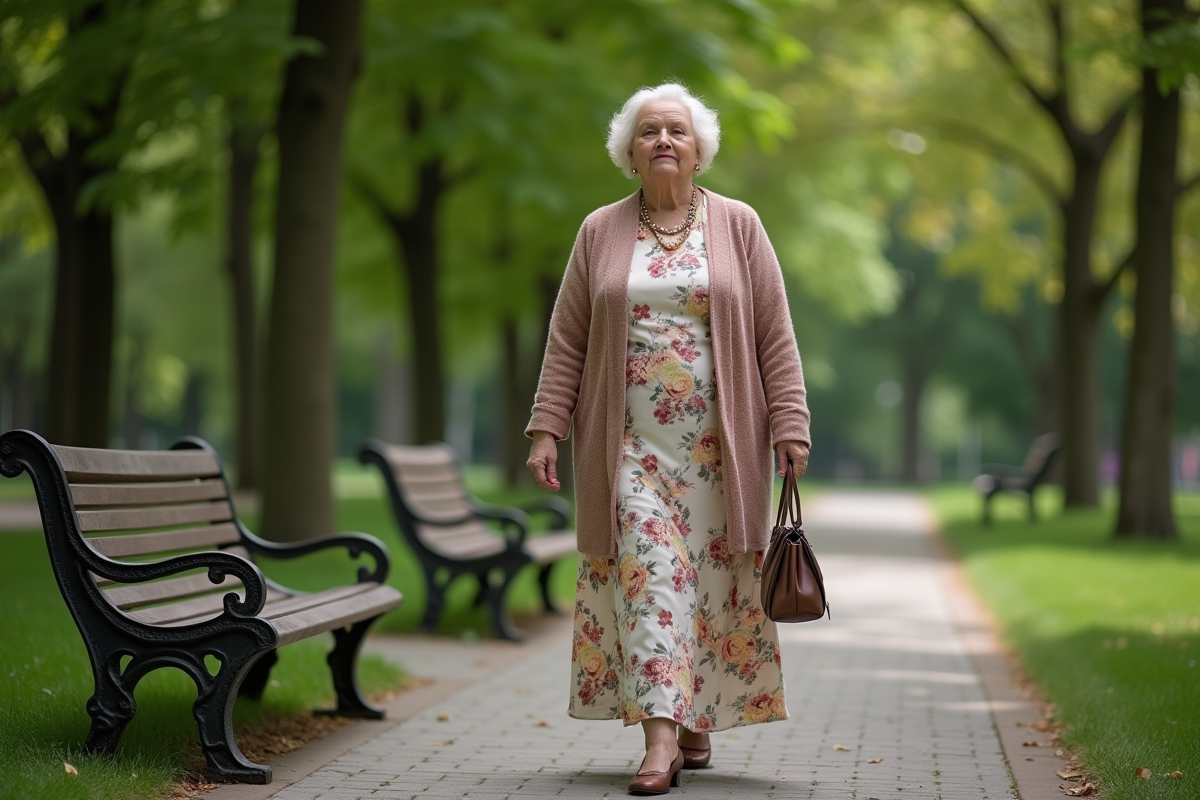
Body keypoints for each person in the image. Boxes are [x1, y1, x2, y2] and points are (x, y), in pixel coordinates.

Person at [526, 82, 811, 796]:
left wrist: (790, 423)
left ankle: (694, 717)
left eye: (676, 131)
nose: (663, 140)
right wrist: (546, 428)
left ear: (699, 150)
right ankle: (660, 740)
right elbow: (568, 340)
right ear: (629, 151)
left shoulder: (739, 225)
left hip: (721, 453)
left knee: (709, 584)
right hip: (628, 449)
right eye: (649, 130)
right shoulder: (600, 231)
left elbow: (774, 333)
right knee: (651, 576)